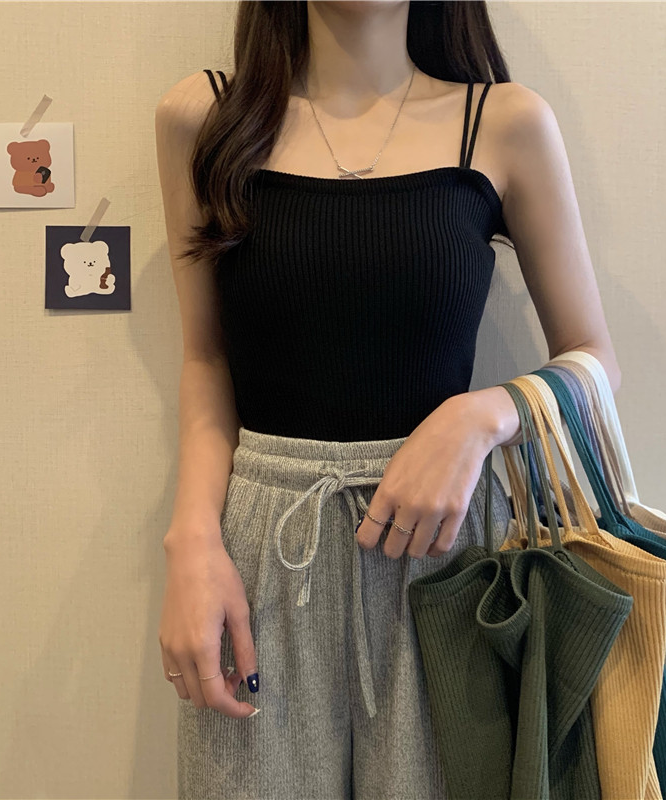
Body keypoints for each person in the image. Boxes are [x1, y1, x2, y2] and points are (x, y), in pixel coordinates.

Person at [154, 1, 622, 798]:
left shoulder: (503, 123)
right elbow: (206, 360)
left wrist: (482, 416)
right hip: (263, 557)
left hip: (446, 558)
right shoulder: (203, 118)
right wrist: (191, 541)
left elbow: (595, 361)